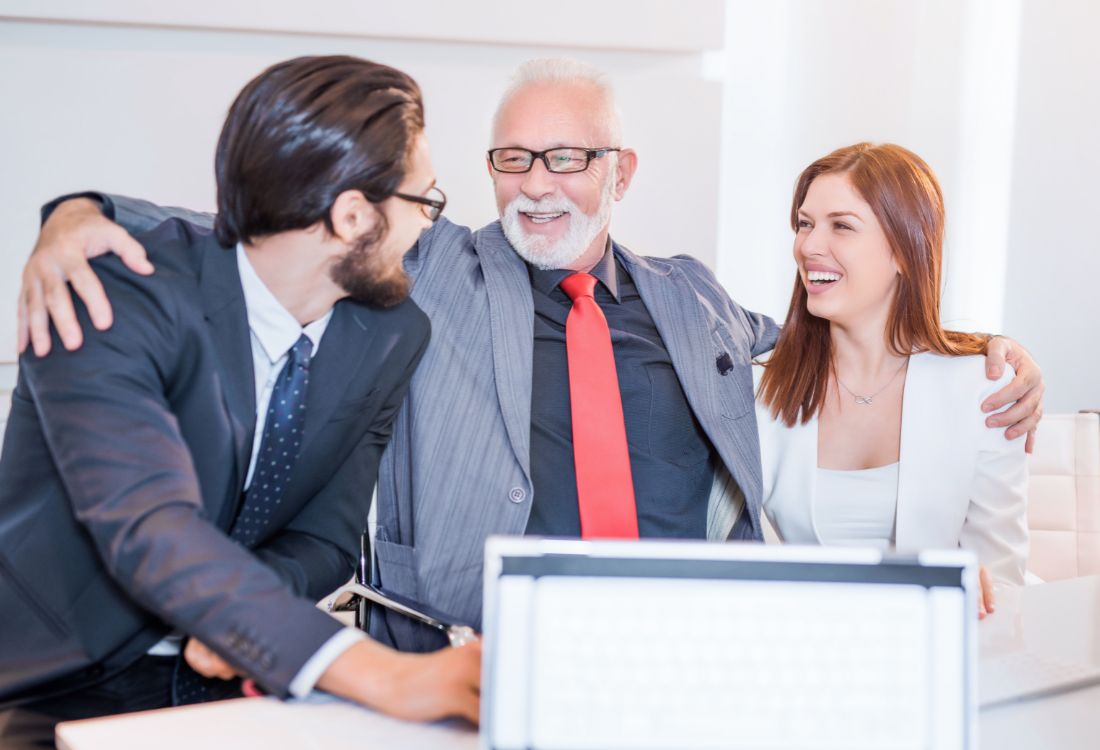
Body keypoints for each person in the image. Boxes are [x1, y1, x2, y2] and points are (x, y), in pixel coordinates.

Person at [15, 60, 1044, 655]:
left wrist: (979, 348)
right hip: (482, 645)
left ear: (619, 170)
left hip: (688, 644)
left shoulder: (691, 298)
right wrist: (82, 212)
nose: (534, 186)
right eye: (511, 159)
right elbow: (283, 223)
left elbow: (832, 332)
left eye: (563, 158)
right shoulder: (431, 270)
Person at [0, 55, 480, 745]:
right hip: (59, 680)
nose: (429, 226)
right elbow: (151, 527)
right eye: (424, 201)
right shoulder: (108, 293)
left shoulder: (391, 333)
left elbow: (326, 540)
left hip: (244, 675)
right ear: (351, 215)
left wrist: (239, 619)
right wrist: (387, 675)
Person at [756, 143, 1029, 613]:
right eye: (805, 224)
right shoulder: (758, 387)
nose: (809, 245)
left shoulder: (984, 387)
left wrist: (973, 596)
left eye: (841, 226)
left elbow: (1003, 578)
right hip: (807, 644)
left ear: (906, 248)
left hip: (944, 648)